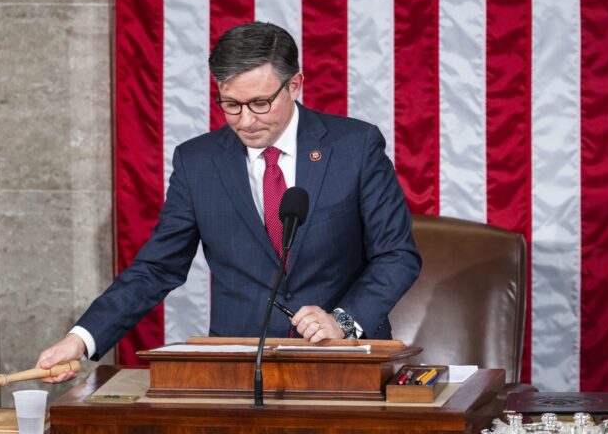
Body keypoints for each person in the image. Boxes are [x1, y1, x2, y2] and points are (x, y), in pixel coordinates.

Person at [37, 21, 421, 383]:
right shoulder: (198, 162)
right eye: (231, 105)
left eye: (259, 103)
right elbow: (156, 268)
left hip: (343, 361)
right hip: (236, 366)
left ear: (295, 85)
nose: (246, 121)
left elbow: (397, 255)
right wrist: (82, 339)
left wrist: (342, 320)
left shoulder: (355, 148)